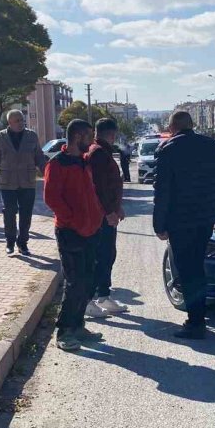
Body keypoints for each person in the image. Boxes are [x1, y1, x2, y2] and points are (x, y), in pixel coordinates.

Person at [152, 111, 215, 339]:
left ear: (173, 127)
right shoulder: (211, 146)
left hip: (180, 221)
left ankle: (195, 323)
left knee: (186, 270)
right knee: (197, 267)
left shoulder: (168, 150)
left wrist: (159, 224)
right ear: (191, 125)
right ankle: (198, 317)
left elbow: (162, 191)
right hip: (204, 219)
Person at [43, 119, 105, 352]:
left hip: (91, 230)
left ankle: (78, 325)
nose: (92, 141)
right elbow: (52, 199)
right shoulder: (57, 164)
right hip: (70, 232)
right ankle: (65, 330)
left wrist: (96, 215)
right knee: (75, 282)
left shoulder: (84, 162)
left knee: (89, 280)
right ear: (78, 136)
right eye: (89, 136)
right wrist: (73, 219)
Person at [0, 110, 47, 255]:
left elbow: (39, 156)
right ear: (10, 123)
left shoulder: (31, 135)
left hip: (27, 181)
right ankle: (10, 242)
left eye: (22, 120)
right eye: (17, 121)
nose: (21, 123)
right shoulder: (0, 137)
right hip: (8, 182)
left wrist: (48, 173)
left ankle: (23, 242)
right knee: (9, 212)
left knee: (26, 214)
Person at [84, 118, 129, 318]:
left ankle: (103, 295)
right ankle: (88, 300)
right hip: (101, 215)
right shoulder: (99, 153)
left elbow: (110, 186)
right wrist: (109, 211)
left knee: (107, 254)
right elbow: (99, 187)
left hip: (107, 212)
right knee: (100, 256)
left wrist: (117, 207)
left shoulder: (102, 151)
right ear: (111, 134)